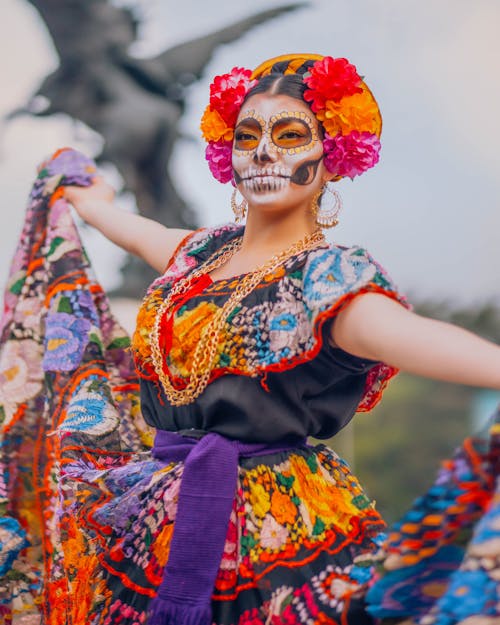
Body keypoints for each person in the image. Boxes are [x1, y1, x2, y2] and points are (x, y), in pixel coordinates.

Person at [0, 54, 498, 625]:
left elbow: (402, 333)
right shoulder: (197, 256)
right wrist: (83, 195)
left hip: (271, 526)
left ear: (329, 156)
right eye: (248, 135)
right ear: (228, 153)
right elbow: (138, 232)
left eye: (289, 135)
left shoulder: (326, 279)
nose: (264, 151)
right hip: (149, 513)